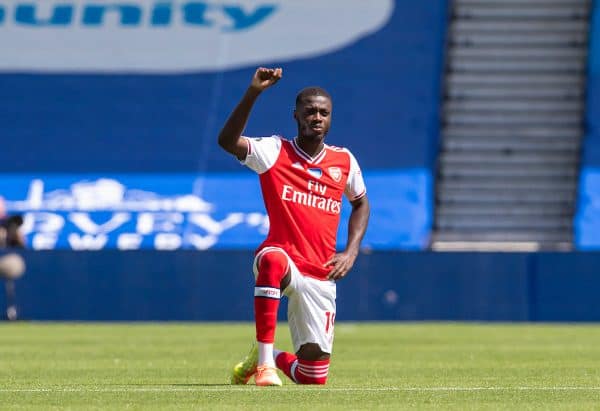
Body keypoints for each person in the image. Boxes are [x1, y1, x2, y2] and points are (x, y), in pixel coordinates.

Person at [218, 67, 370, 386]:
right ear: (296, 116)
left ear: (330, 118)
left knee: (313, 377)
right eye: (310, 111)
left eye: (323, 112)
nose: (317, 117)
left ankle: (273, 357)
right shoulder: (275, 151)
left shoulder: (344, 161)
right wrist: (254, 92)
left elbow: (361, 203)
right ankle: (264, 365)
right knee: (272, 260)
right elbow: (227, 141)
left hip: (321, 271)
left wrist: (351, 251)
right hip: (283, 258)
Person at [0, 197, 26, 321]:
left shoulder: (9, 223)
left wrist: (14, 231)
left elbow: (21, 244)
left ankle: (12, 311)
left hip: (7, 259)